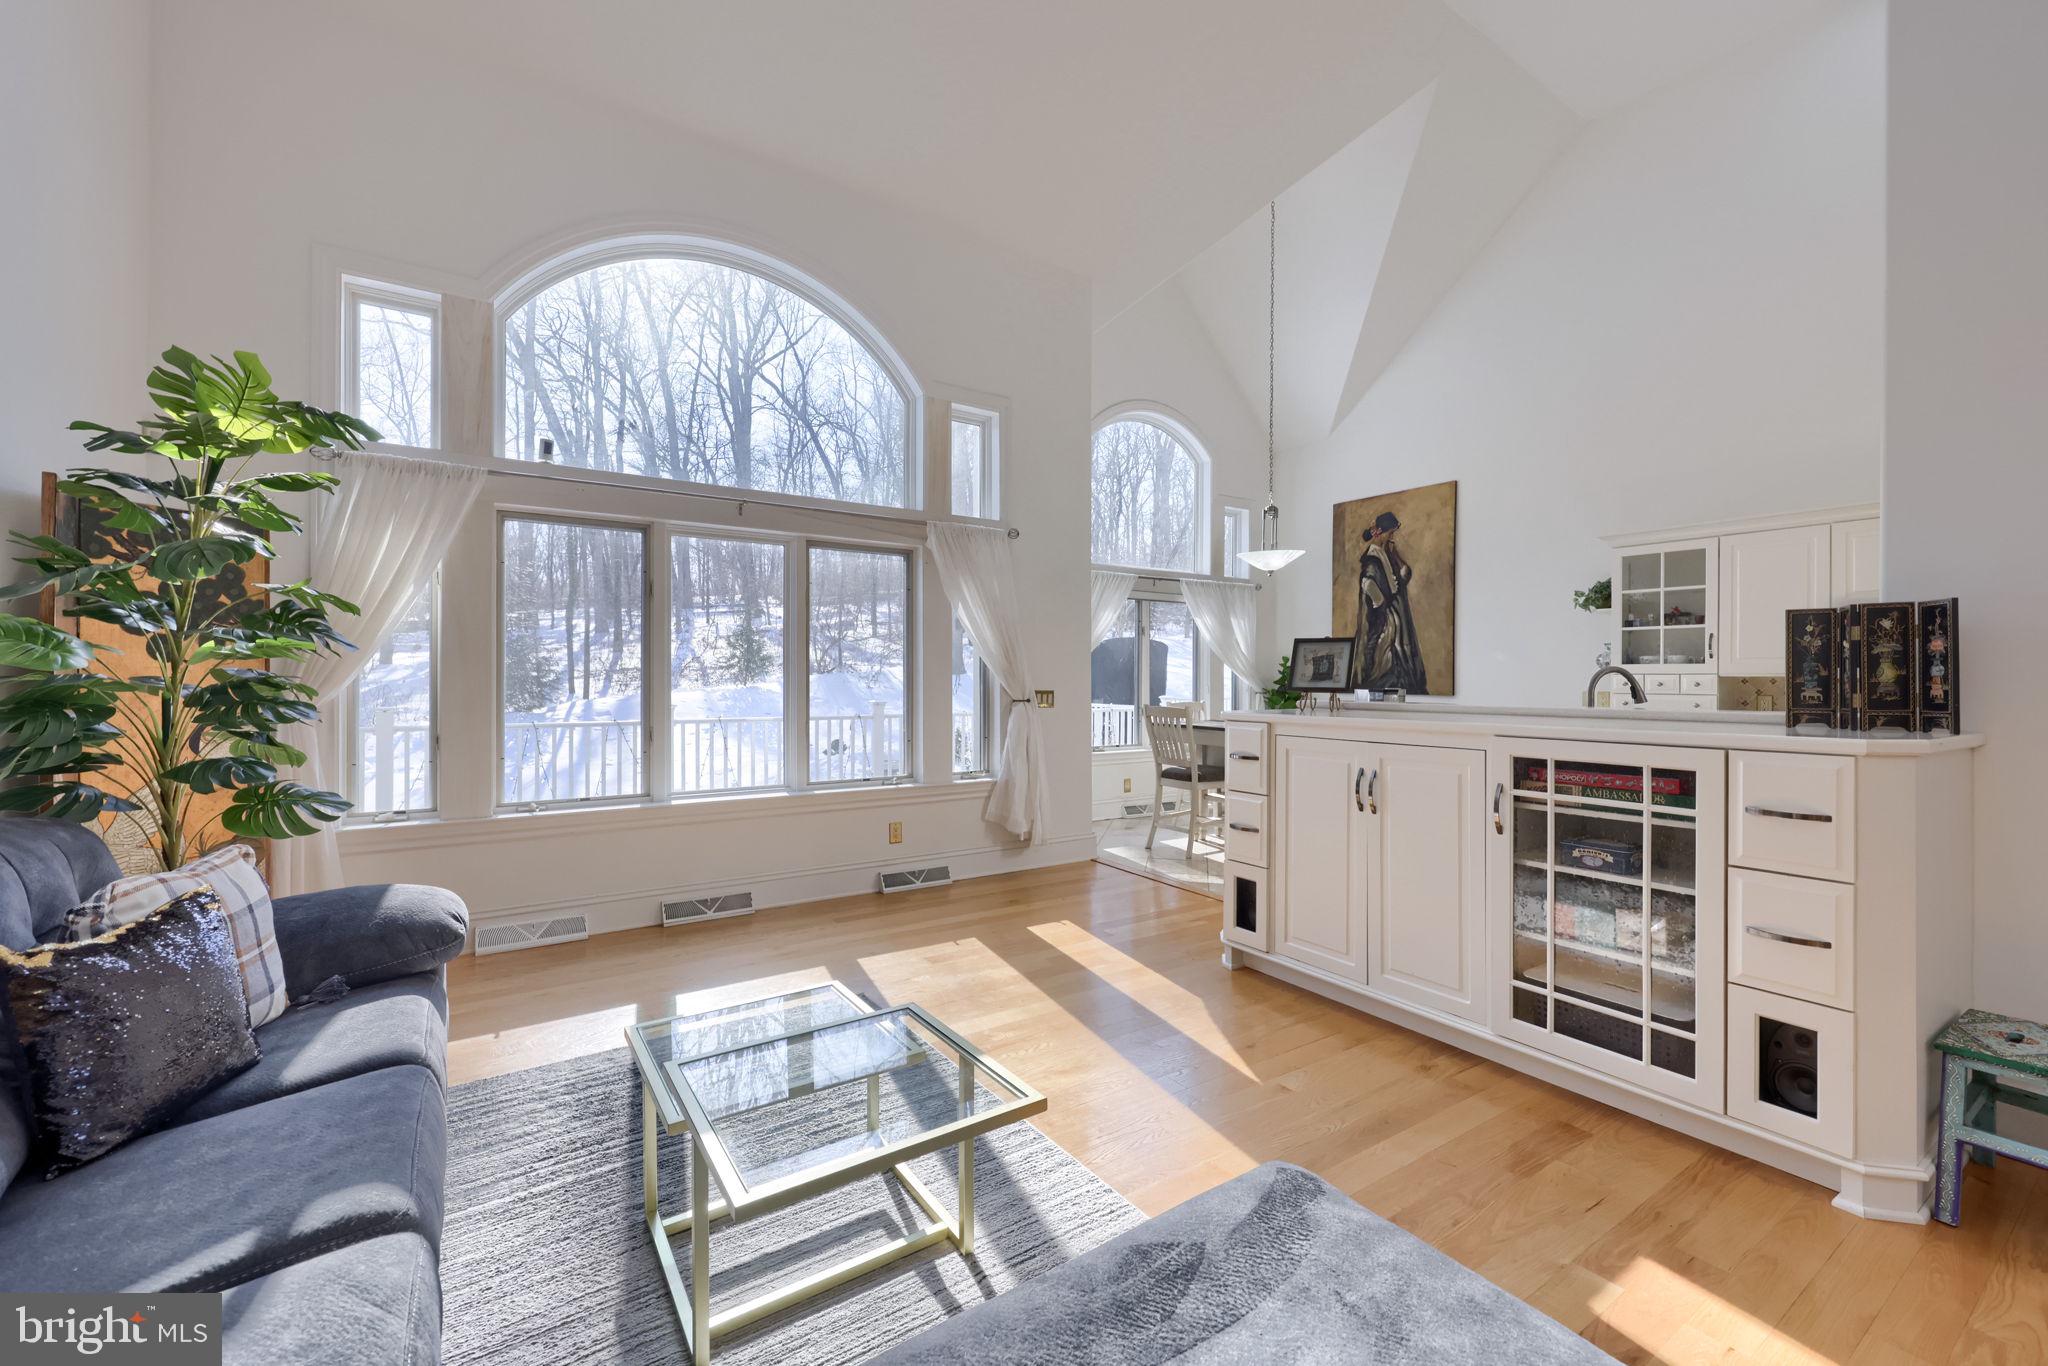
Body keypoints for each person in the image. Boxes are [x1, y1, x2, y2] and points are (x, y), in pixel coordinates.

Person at [1349, 511, 1428, 693]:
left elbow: (1401, 578)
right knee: (1386, 660)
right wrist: (1380, 604)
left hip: (1396, 616)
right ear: (1381, 532)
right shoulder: (1373, 557)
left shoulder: (1386, 555)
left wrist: (1396, 555)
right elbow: (1367, 582)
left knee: (1400, 658)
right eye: (1390, 533)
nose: (1392, 537)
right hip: (1386, 621)